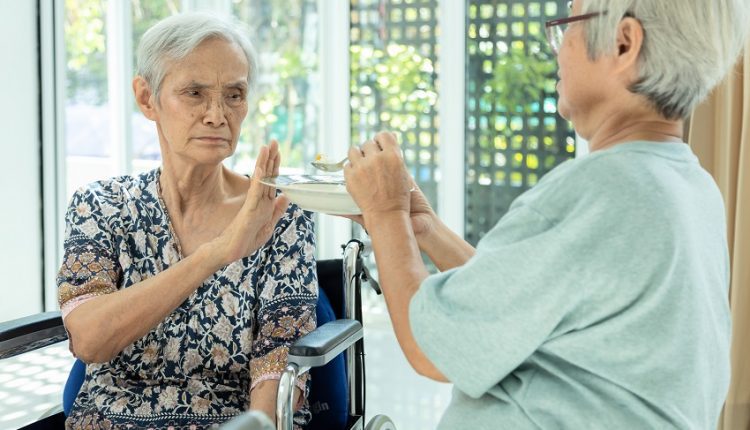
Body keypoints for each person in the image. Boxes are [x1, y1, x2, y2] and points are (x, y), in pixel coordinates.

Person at [342, 0, 750, 428]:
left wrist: (386, 211)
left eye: (568, 24)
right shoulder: (688, 187)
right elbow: (524, 304)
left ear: (625, 44)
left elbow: (433, 348)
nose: (556, 48)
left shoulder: (602, 189)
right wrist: (423, 228)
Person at [57, 13, 317, 429]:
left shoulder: (278, 216)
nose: (217, 115)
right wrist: (217, 253)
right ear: (147, 98)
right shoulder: (101, 205)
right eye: (194, 93)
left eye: (234, 94)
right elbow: (89, 339)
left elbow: (278, 368)